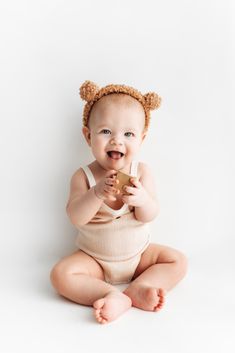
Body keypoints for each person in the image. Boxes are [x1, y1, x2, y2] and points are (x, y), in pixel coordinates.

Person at [50, 80, 188, 324]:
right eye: (105, 132)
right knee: (60, 274)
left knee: (178, 261)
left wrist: (142, 199)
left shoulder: (141, 172)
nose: (117, 141)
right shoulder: (83, 176)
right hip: (95, 260)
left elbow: (150, 213)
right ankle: (110, 294)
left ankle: (141, 286)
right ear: (88, 135)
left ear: (142, 138)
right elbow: (75, 216)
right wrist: (95, 194)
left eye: (128, 134)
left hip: (139, 256)